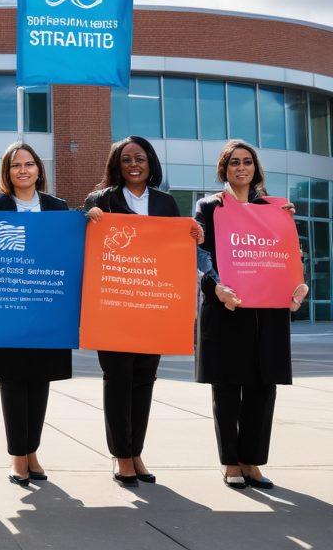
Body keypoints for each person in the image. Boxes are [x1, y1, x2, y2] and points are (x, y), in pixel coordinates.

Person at [84, 135, 203, 488]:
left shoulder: (166, 203)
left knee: (144, 381)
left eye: (140, 158)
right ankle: (122, 456)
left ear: (150, 162)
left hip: (153, 307)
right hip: (114, 306)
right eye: (126, 160)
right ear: (116, 166)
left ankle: (136, 451)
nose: (133, 165)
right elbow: (84, 244)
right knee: (117, 379)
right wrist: (85, 218)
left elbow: (177, 251)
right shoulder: (101, 200)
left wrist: (194, 235)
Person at [194, 140, 309, 489]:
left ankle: (252, 462)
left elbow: (288, 255)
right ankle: (231, 462)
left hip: (267, 312)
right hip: (228, 306)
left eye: (246, 162)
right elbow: (200, 255)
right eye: (233, 163)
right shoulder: (210, 206)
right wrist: (215, 287)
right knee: (228, 387)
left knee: (263, 386)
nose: (240, 168)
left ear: (255, 168)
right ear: (223, 169)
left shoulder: (275, 208)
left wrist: (297, 283)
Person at [0, 142, 71, 487]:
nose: (23, 170)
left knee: (39, 383)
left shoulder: (57, 208)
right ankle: (17, 456)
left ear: (39, 169)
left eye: (29, 164)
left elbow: (69, 247)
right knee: (13, 383)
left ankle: (32, 450)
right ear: (6, 173)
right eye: (15, 165)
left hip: (46, 308)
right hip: (9, 308)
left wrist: (91, 219)